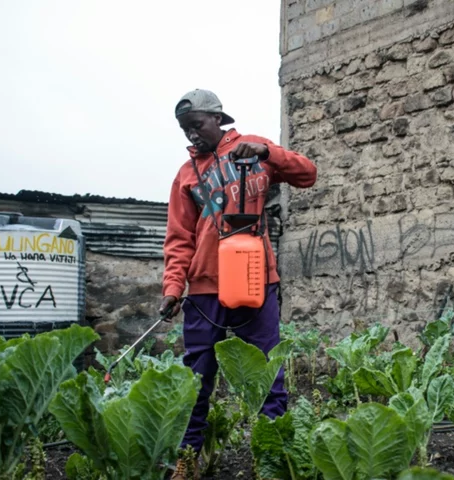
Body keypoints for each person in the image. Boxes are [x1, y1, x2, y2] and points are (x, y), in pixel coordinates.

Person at [160, 89, 317, 479]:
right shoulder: (185, 175)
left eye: (197, 125)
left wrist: (267, 155)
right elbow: (180, 239)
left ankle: (272, 460)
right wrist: (172, 288)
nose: (193, 135)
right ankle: (187, 459)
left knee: (267, 371)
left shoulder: (255, 150)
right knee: (197, 374)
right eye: (185, 129)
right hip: (204, 288)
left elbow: (307, 174)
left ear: (218, 118)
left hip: (254, 278)